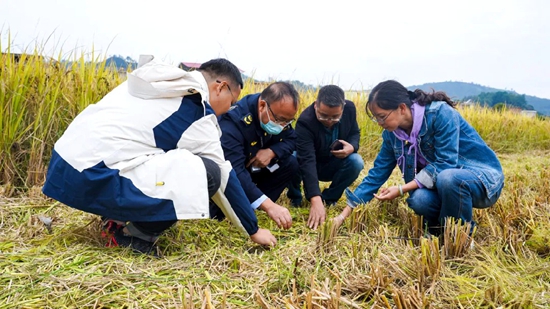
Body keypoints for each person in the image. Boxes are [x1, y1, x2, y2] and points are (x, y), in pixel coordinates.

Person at [42, 55, 277, 255]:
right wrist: (253, 230)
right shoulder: (196, 108)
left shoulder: (157, 80)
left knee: (156, 155)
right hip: (94, 175)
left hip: (65, 168)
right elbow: (224, 175)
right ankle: (130, 235)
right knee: (208, 173)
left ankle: (114, 217)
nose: (229, 109)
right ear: (220, 87)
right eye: (231, 102)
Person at [334, 80, 504, 236]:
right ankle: (442, 229)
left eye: (382, 116)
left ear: (401, 108)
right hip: (445, 184)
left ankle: (458, 235)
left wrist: (401, 189)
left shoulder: (440, 114)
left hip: (481, 179)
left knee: (448, 177)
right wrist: (343, 215)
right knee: (418, 200)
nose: (379, 122)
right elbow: (377, 174)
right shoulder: (392, 135)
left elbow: (446, 164)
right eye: (375, 117)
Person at [218, 82, 300, 230]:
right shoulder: (233, 122)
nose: (282, 126)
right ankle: (260, 204)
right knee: (218, 214)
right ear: (262, 106)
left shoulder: (279, 115)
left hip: (258, 169)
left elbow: (292, 139)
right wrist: (270, 206)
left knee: (291, 164)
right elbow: (234, 171)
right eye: (280, 120)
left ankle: (256, 205)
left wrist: (272, 151)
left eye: (287, 122)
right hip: (234, 174)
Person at [286, 85, 364, 229]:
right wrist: (314, 198)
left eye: (335, 117)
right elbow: (306, 160)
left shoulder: (350, 110)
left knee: (356, 161)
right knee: (292, 157)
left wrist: (352, 147)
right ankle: (295, 198)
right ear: (316, 105)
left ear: (343, 107)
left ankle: (329, 199)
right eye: (323, 115)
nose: (328, 120)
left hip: (334, 163)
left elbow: (355, 133)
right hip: (310, 164)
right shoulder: (305, 121)